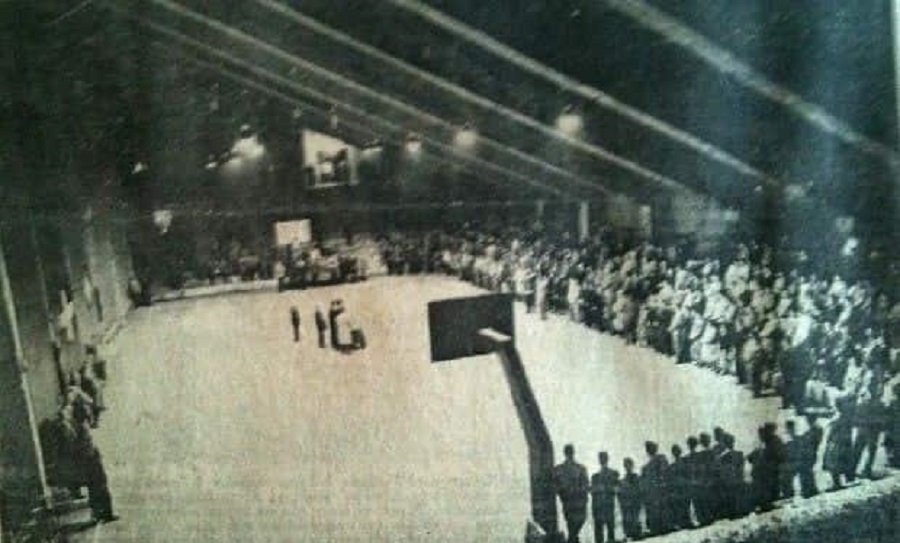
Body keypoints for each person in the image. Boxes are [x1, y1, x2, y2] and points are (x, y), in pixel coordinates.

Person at [554, 444, 590, 543]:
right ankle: (573, 539)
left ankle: (572, 539)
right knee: (572, 525)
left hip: (576, 502)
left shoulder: (579, 468)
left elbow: (585, 485)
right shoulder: (560, 469)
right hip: (571, 502)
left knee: (574, 524)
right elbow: (555, 485)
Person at [640, 441, 670, 536]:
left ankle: (664, 526)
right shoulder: (646, 466)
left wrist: (662, 482)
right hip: (653, 491)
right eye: (648, 448)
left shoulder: (661, 458)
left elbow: (664, 472)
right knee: (655, 509)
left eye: (651, 448)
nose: (649, 450)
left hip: (661, 488)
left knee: (663, 508)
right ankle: (656, 528)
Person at [591, 451, 619, 543]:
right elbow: (593, 493)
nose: (602, 460)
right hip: (599, 508)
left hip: (608, 506)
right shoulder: (595, 477)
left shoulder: (613, 474)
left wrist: (605, 488)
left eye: (603, 458)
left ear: (607, 459)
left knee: (610, 531)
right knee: (599, 534)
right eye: (601, 458)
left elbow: (616, 489)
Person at [666, 444, 692, 530]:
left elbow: (688, 472)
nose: (676, 452)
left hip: (685, 485)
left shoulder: (685, 461)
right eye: (675, 451)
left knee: (686, 504)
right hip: (678, 487)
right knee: (681, 505)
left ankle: (687, 521)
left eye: (677, 450)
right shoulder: (672, 466)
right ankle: (684, 522)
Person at [797, 414, 823, 498]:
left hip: (810, 453)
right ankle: (810, 489)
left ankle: (808, 490)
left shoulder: (815, 429)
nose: (807, 421)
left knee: (805, 471)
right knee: (807, 471)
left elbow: (812, 440)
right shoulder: (814, 429)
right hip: (810, 453)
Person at [619, 457, 643, 542]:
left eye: (629, 465)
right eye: (626, 465)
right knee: (628, 521)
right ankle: (630, 534)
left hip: (635, 504)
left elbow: (640, 491)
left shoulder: (636, 478)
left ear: (632, 466)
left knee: (635, 520)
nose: (627, 467)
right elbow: (621, 495)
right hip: (627, 505)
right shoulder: (623, 481)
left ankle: (637, 533)